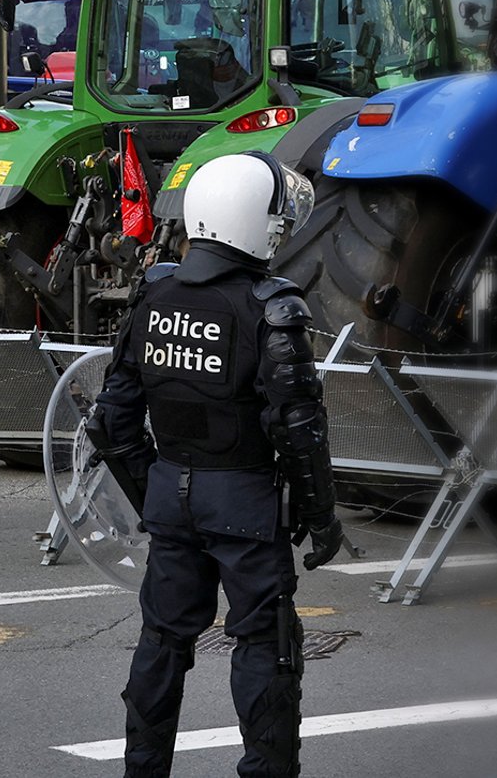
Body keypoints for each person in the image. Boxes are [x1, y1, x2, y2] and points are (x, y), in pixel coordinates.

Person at [86, 151, 347, 778]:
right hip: (248, 506)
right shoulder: (272, 307)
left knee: (162, 642)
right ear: (253, 222)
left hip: (171, 495)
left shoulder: (154, 293)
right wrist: (321, 515)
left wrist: (159, 487)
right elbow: (300, 430)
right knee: (266, 648)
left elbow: (111, 420)